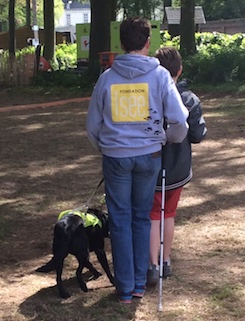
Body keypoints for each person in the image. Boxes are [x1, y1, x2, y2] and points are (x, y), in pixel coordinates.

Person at [85, 16, 189, 304]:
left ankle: (125, 287)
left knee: (119, 221)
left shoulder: (106, 78)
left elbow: (92, 127)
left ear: (121, 43)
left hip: (116, 158)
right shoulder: (160, 77)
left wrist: (107, 147)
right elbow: (181, 120)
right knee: (142, 218)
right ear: (147, 43)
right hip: (149, 157)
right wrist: (168, 138)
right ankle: (140, 283)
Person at [147, 47, 207, 286]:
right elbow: (197, 134)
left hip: (151, 167)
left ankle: (152, 265)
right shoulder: (190, 99)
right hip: (178, 169)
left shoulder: (149, 95)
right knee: (168, 214)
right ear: (180, 70)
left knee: (152, 216)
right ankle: (165, 260)